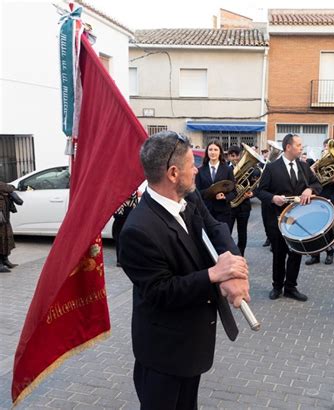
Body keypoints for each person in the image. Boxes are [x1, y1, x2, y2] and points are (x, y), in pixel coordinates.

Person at [119, 131, 250, 409]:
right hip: (164, 353)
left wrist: (236, 270)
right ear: (174, 173)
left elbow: (215, 227)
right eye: (192, 164)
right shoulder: (137, 230)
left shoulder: (189, 198)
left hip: (192, 345)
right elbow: (160, 291)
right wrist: (215, 275)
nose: (196, 170)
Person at [256, 133, 322, 302]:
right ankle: (277, 286)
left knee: (296, 253)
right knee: (279, 253)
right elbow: (260, 191)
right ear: (288, 147)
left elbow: (317, 184)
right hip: (277, 218)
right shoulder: (271, 168)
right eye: (299, 145)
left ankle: (290, 287)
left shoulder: (304, 166)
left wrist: (310, 190)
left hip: (299, 219)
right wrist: (273, 198)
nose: (302, 148)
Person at [195, 141, 236, 230]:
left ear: (220, 152)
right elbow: (197, 192)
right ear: (207, 152)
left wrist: (225, 196)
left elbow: (234, 192)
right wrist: (211, 190)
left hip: (223, 212)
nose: (213, 152)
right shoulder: (200, 170)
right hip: (206, 211)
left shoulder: (227, 170)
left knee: (223, 239)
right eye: (210, 149)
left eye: (215, 149)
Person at [227, 145, 254, 256]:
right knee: (227, 232)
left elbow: (254, 185)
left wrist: (252, 193)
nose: (235, 158)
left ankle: (240, 254)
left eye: (237, 155)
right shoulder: (225, 169)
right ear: (228, 157)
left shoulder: (248, 169)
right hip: (229, 206)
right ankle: (228, 254)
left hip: (244, 206)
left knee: (242, 233)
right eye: (232, 156)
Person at [112, 191, 139, 267]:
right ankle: (121, 260)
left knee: (125, 237)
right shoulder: (124, 184)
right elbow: (129, 195)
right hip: (123, 212)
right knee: (120, 237)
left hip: (125, 212)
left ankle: (123, 259)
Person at [0, 182, 19, 272]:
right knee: (1, 238)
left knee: (6, 236)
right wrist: (9, 189)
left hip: (4, 214)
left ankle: (5, 260)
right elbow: (7, 188)